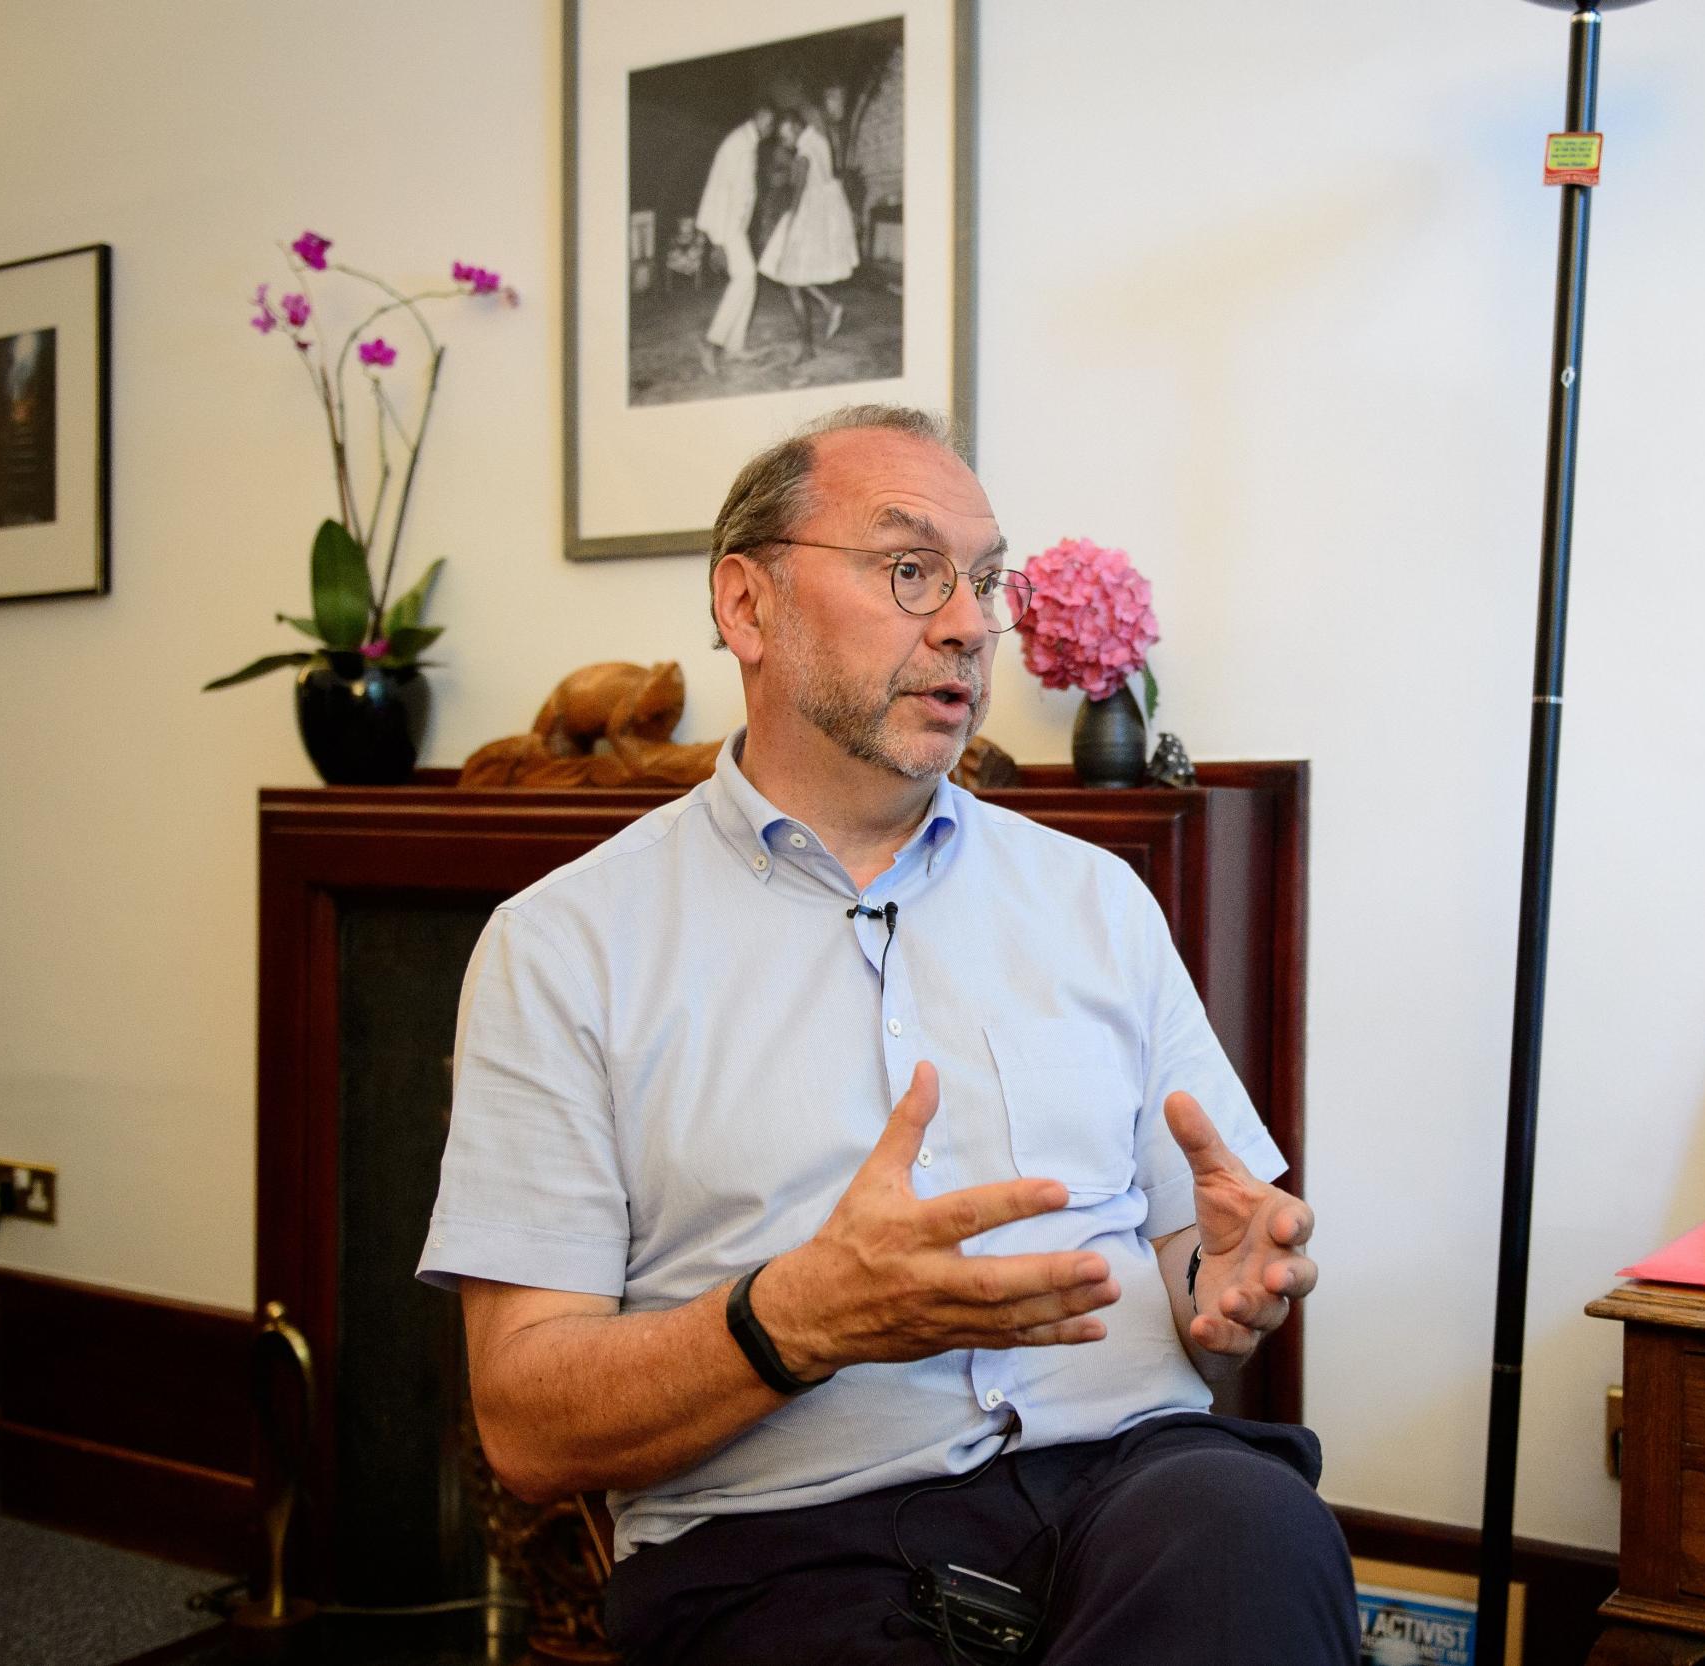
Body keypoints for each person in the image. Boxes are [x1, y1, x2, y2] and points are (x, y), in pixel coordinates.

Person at [417, 405, 1355, 1665]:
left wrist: (1219, 1282)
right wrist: (794, 1318)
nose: (968, 621)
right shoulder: (561, 948)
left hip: (1139, 1482)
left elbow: (1200, 1239)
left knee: (1257, 1530)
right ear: (747, 607)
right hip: (787, 1538)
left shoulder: (1094, 897)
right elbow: (525, 1425)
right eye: (910, 568)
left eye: (983, 580)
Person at [757, 106, 860, 362]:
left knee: (790, 280)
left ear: (794, 127)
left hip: (808, 219)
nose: (784, 141)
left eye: (785, 135)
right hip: (824, 216)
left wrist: (789, 225)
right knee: (794, 276)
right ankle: (829, 306)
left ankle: (807, 348)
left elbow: (799, 193)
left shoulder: (803, 154)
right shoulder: (819, 140)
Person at [695, 104, 775, 379]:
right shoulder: (738, 143)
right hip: (726, 225)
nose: (771, 129)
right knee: (745, 277)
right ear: (762, 117)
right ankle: (711, 342)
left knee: (748, 280)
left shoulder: (747, 142)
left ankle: (734, 346)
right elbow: (720, 191)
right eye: (771, 123)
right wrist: (717, 239)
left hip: (734, 226)